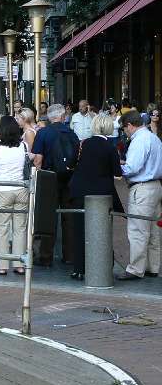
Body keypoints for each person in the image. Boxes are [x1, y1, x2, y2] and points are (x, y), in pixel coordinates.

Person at [68, 114, 124, 280]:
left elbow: (70, 164)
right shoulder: (110, 147)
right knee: (102, 232)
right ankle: (102, 266)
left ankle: (78, 268)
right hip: (102, 195)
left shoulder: (83, 143)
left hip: (80, 191)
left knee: (79, 230)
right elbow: (117, 173)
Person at [32, 104, 80, 265]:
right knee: (69, 217)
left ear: (49, 117)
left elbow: (38, 159)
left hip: (48, 177)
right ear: (62, 116)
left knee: (47, 217)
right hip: (69, 179)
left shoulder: (43, 133)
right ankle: (70, 255)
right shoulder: (72, 134)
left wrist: (38, 174)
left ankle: (45, 256)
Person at [116, 110, 162, 280]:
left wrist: (115, 168)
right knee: (153, 231)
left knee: (138, 230)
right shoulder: (153, 138)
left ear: (130, 125)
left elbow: (132, 168)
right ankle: (152, 266)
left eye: (124, 129)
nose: (124, 132)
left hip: (142, 188)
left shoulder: (139, 140)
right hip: (156, 186)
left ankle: (135, 269)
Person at [0, 116, 29, 275]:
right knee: (20, 228)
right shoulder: (23, 146)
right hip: (21, 190)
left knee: (2, 228)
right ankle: (19, 264)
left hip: (2, 191)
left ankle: (2, 266)